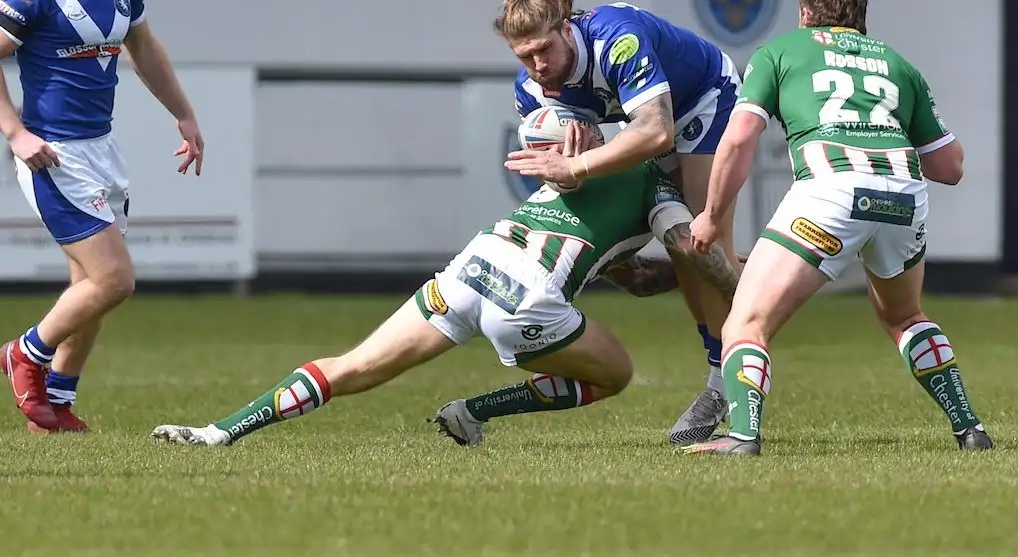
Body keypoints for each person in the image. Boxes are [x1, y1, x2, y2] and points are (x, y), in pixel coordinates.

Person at [150, 119, 737, 448]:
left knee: (354, 366)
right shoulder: (660, 190)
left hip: (473, 265)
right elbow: (691, 252)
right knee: (614, 376)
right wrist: (743, 278)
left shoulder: (585, 157)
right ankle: (475, 410)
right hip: (527, 297)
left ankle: (218, 432)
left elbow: (632, 277)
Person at [682, 0, 993, 456]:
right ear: (861, 18)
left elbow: (740, 137)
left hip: (830, 190)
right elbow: (950, 167)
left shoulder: (780, 51)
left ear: (805, 13)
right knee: (906, 316)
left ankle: (742, 436)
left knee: (744, 323)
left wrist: (712, 216)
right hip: (904, 195)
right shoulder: (899, 64)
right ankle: (969, 427)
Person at [0, 0, 205, 433]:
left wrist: (183, 113)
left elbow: (144, 47)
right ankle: (25, 354)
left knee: (88, 286)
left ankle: (55, 404)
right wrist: (16, 133)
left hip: (102, 148)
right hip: (53, 156)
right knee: (113, 280)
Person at [496, 0, 741, 445]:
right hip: (646, 123)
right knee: (676, 265)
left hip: (705, 100)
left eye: (544, 49)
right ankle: (770, 277)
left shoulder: (617, 39)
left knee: (703, 244)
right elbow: (569, 162)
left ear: (567, 30)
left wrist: (580, 163)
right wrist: (577, 158)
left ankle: (720, 384)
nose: (538, 65)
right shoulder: (532, 89)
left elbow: (655, 133)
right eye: (524, 56)